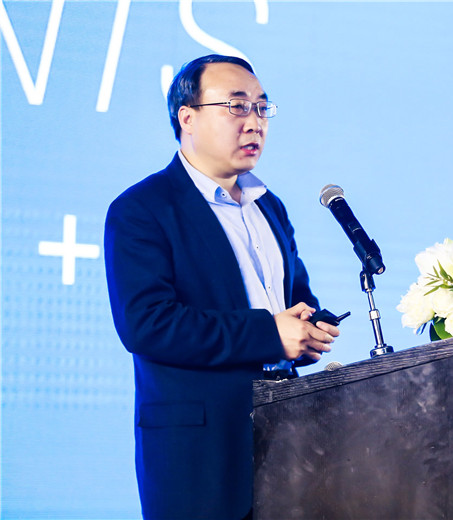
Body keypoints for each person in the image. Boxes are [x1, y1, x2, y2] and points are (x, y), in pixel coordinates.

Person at [104, 54, 339, 520]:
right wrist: (270, 334)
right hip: (201, 459)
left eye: (262, 108)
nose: (254, 122)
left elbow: (295, 298)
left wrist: (309, 328)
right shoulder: (142, 209)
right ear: (187, 118)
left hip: (292, 443)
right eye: (236, 106)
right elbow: (148, 325)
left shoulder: (268, 205)